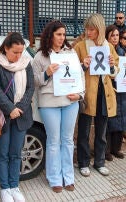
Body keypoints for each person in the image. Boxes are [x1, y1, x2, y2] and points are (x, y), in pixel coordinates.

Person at [32, 20, 85, 193]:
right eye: (58, 34)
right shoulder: (40, 56)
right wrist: (46, 73)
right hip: (49, 103)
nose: (62, 38)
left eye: (64, 34)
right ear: (50, 35)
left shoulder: (70, 53)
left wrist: (80, 95)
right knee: (54, 141)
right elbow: (33, 82)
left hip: (70, 102)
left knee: (68, 140)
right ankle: (54, 178)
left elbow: (80, 76)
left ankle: (68, 177)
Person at [0, 32, 34, 202]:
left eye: (21, 52)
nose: (18, 55)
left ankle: (15, 186)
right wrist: (10, 109)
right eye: (15, 52)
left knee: (16, 153)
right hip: (2, 116)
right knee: (2, 153)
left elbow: (30, 88)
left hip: (21, 115)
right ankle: (5, 188)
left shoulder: (26, 63)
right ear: (6, 48)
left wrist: (19, 108)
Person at [74, 13, 119, 177]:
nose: (88, 32)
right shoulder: (80, 46)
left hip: (105, 93)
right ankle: (83, 162)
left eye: (91, 29)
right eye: (86, 28)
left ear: (99, 29)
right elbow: (72, 71)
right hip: (87, 94)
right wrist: (82, 65)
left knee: (101, 131)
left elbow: (116, 70)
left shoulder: (109, 46)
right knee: (84, 130)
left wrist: (113, 66)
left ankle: (99, 162)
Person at [104, 25, 126, 160]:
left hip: (122, 88)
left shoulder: (123, 51)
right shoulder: (105, 50)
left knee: (121, 118)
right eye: (112, 35)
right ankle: (106, 151)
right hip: (110, 88)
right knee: (109, 120)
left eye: (117, 35)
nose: (115, 38)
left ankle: (116, 149)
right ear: (107, 37)